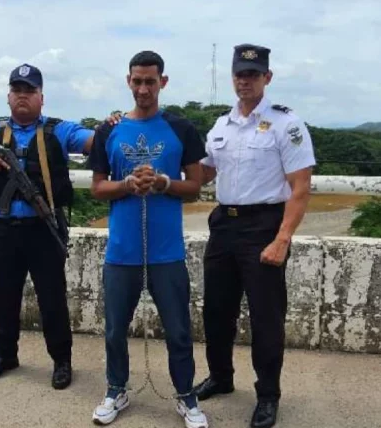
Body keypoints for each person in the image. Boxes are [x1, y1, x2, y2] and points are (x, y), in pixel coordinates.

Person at [0, 63, 94, 390]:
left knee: (52, 298)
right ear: (9, 96)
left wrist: (114, 129)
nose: (23, 97)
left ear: (42, 97)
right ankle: (5, 355)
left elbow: (92, 142)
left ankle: (61, 360)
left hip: (44, 230)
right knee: (5, 295)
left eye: (29, 91)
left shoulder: (58, 131)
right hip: (4, 229)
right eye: (17, 91)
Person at [192, 44, 315, 428]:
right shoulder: (220, 125)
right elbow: (204, 173)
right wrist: (159, 171)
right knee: (216, 310)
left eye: (253, 74)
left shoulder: (286, 124)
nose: (245, 80)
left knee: (266, 317)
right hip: (224, 226)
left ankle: (268, 395)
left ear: (267, 78)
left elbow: (300, 187)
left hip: (264, 226)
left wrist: (283, 239)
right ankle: (222, 377)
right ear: (233, 77)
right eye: (240, 74)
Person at [87, 50, 209, 428]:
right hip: (122, 248)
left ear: (163, 83)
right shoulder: (110, 129)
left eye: (150, 81)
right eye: (137, 81)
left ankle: (186, 397)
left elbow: (195, 186)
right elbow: (97, 188)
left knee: (177, 329)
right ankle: (115, 389)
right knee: (114, 328)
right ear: (128, 81)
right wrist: (126, 184)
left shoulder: (181, 128)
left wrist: (162, 183)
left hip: (166, 250)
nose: (143, 88)